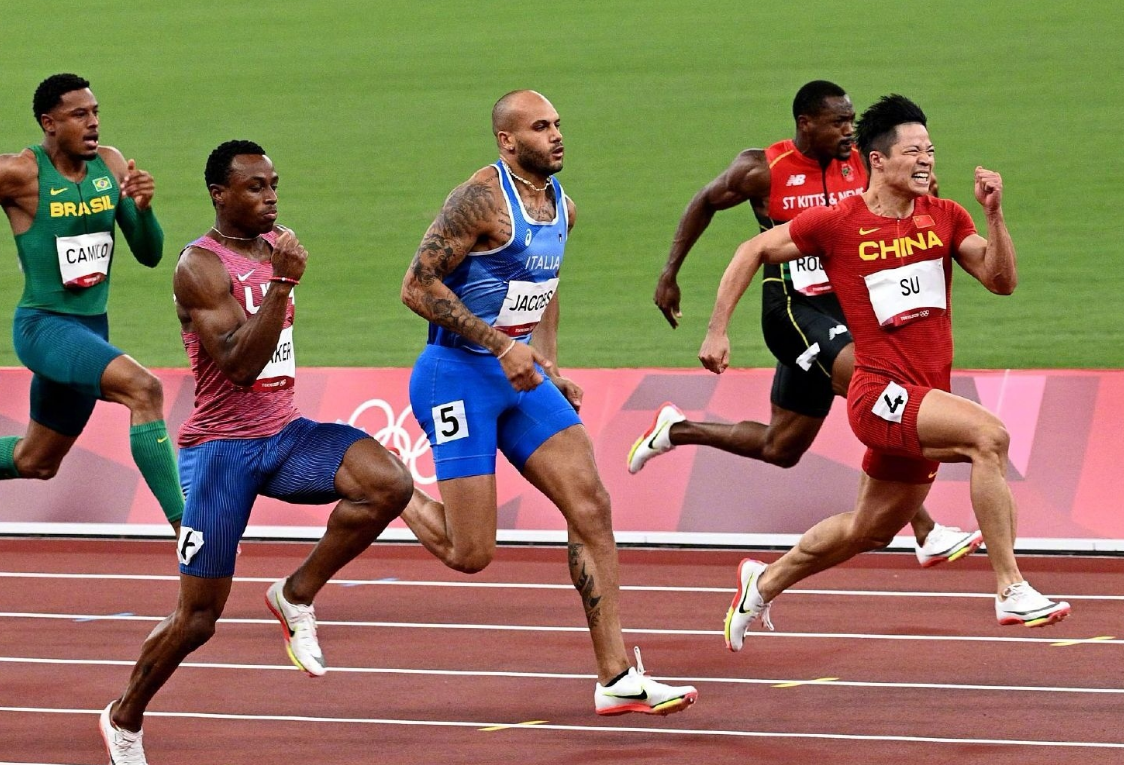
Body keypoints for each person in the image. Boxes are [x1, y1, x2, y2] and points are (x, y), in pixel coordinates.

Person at [700, 94, 1071, 652]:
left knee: (867, 529)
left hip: (924, 395)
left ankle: (763, 582)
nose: (926, 161)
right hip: (877, 394)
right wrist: (717, 330)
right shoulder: (838, 222)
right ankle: (1011, 588)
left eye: (931, 151)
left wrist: (995, 215)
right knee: (988, 437)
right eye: (913, 152)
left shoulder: (945, 216)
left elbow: (1001, 281)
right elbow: (751, 249)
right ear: (878, 160)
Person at [100, 140, 413, 763]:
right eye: (254, 187)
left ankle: (295, 593)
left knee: (389, 484)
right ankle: (124, 717)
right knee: (198, 620)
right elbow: (239, 365)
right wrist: (283, 284)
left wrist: (279, 274)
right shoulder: (199, 267)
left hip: (285, 436)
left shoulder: (277, 246)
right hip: (221, 452)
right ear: (219, 195)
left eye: (273, 185)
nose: (270, 197)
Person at [398, 90, 697, 716]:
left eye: (558, 124)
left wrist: (549, 363)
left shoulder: (563, 206)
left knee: (592, 506)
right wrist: (501, 345)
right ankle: (386, 481)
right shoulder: (479, 199)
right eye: (540, 127)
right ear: (507, 141)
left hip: (520, 376)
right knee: (470, 552)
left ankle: (616, 676)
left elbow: (544, 282)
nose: (556, 135)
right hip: (456, 375)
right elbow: (416, 286)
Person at [630, 80, 979, 568]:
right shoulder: (762, 169)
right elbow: (705, 202)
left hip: (844, 309)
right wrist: (671, 274)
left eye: (851, 121)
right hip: (792, 309)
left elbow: (896, 206)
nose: (848, 130)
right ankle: (925, 528)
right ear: (806, 124)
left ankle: (677, 430)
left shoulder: (862, 162)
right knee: (874, 386)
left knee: (781, 446)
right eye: (838, 122)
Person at [0, 73, 183, 531]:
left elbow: (150, 254)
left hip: (90, 328)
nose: (93, 123)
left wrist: (143, 210)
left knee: (36, 461)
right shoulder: (16, 172)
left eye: (95, 113)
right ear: (49, 123)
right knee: (145, 389)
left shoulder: (111, 166)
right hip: (43, 327)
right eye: (79, 115)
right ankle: (188, 530)